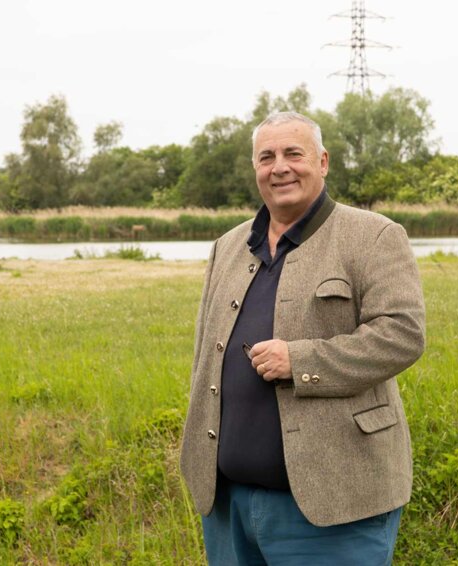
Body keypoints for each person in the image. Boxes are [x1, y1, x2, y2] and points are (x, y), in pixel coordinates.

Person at [180, 111, 426, 565]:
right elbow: (204, 357)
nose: (280, 167)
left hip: (336, 506)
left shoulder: (373, 237)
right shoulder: (227, 247)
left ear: (323, 161)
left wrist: (301, 361)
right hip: (227, 505)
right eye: (266, 157)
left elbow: (402, 334)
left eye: (294, 153)